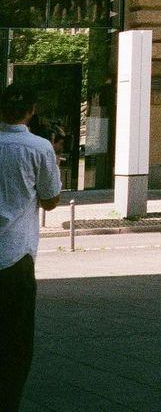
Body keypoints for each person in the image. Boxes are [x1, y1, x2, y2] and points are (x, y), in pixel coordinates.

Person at [0, 84, 62, 411]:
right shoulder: (39, 148)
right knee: (15, 340)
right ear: (32, 111)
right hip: (16, 256)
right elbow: (51, 199)